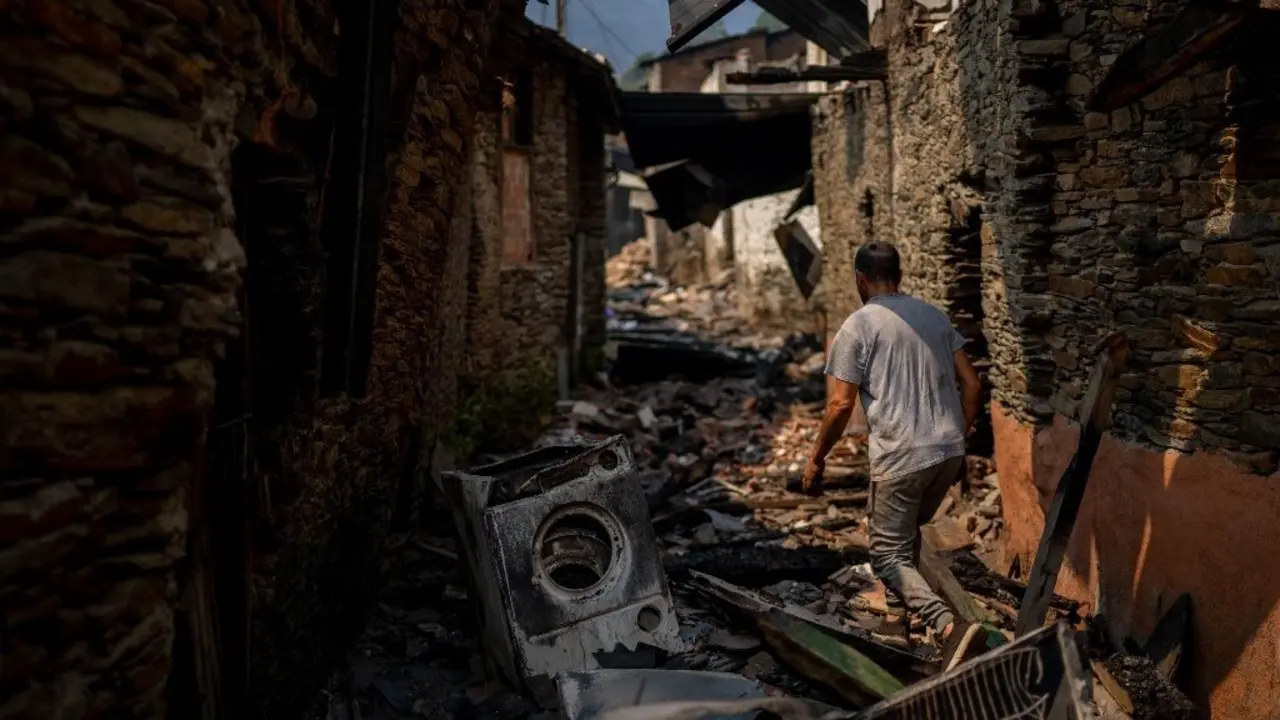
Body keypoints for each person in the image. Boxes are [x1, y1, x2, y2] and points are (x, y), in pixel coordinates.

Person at [802, 240, 987, 671]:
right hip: (946, 451)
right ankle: (899, 621)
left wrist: (816, 458)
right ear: (900, 276)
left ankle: (948, 625)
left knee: (886, 554)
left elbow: (840, 404)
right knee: (904, 538)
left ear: (860, 279)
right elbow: (973, 384)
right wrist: (959, 436)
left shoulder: (858, 326)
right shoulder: (934, 316)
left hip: (901, 455)